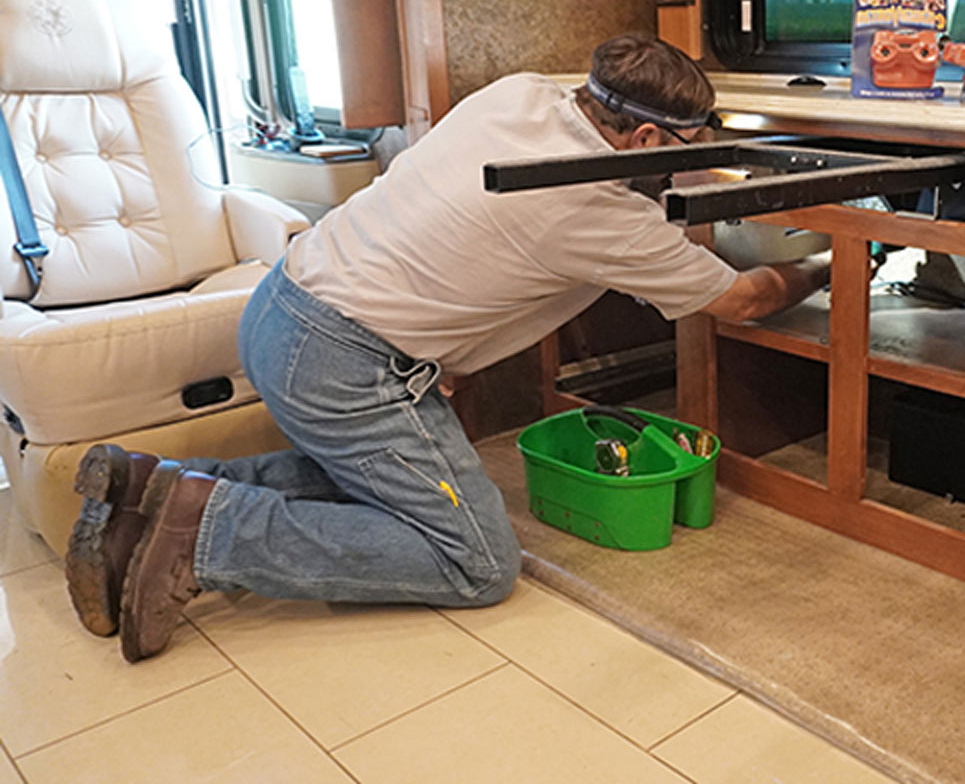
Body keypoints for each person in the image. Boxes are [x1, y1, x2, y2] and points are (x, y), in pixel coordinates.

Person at [64, 33, 832, 662]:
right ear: (646, 138)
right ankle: (211, 531)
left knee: (382, 481)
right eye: (691, 144)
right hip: (342, 364)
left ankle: (159, 489)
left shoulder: (522, 92)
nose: (698, 155)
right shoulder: (596, 212)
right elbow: (744, 299)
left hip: (280, 305)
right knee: (476, 560)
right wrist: (832, 263)